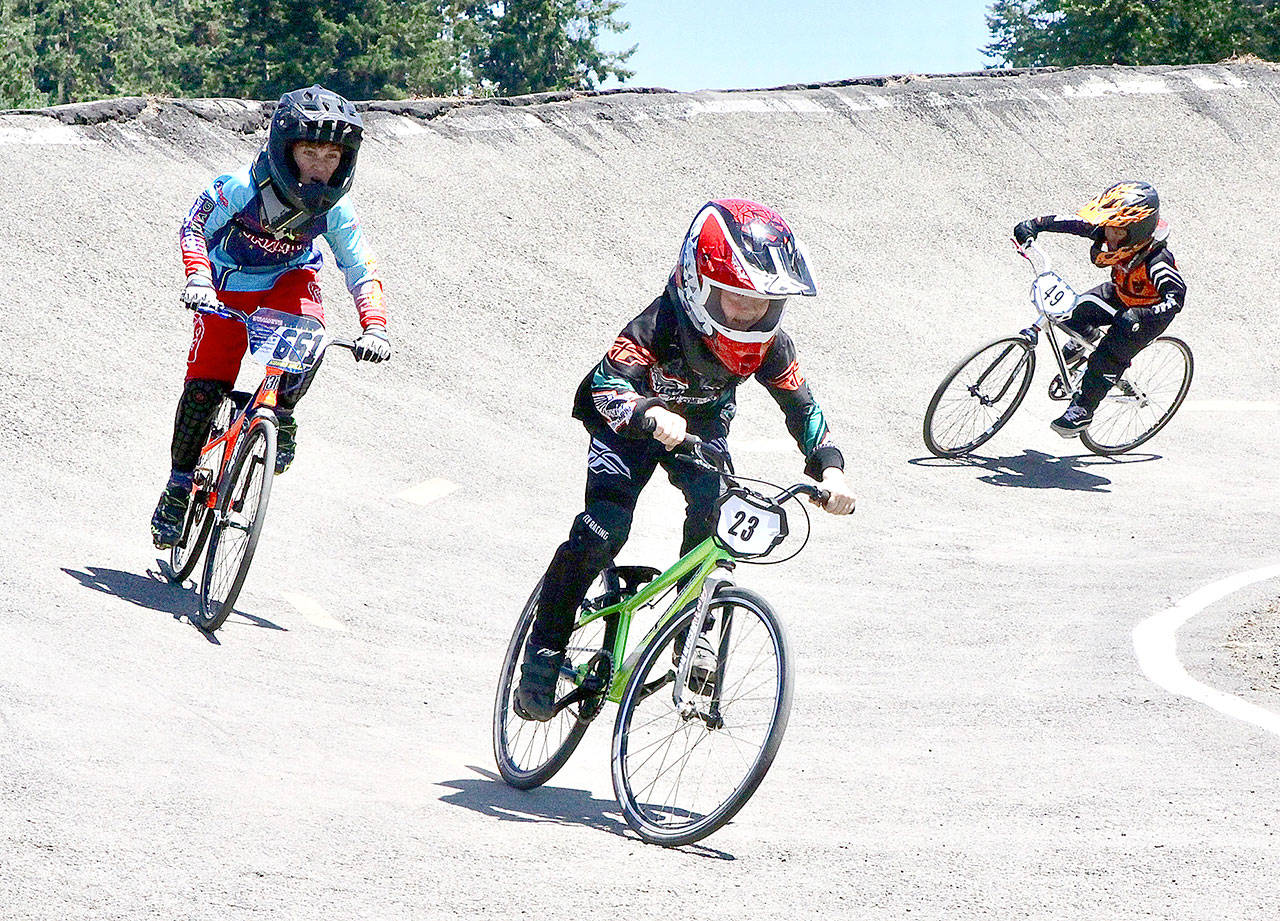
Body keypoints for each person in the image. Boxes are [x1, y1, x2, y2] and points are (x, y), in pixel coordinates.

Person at [513, 199, 856, 721]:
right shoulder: (661, 323)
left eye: (762, 305)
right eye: (735, 300)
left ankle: (694, 631)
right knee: (603, 529)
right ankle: (545, 646)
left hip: (701, 432)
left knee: (719, 517)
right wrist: (647, 411)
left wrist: (829, 467)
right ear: (698, 286)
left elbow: (801, 404)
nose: (749, 316)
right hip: (630, 426)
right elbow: (607, 381)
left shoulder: (770, 345)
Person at [151, 84, 392, 550]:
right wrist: (198, 278)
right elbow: (194, 225)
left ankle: (281, 411)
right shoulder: (240, 187)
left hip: (288, 281)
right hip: (224, 287)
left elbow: (360, 264)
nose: (322, 167)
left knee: (313, 335)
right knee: (204, 388)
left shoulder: (336, 210)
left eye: (333, 156)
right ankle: (179, 486)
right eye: (310, 152)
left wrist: (375, 325)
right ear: (285, 148)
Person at [1013, 180, 1186, 437]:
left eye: (1118, 231)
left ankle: (1082, 410)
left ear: (1138, 230)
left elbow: (1175, 299)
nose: (1109, 236)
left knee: (1105, 359)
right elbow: (1077, 224)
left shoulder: (1156, 261)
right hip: (1119, 294)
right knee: (1069, 312)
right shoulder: (1116, 232)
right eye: (1110, 229)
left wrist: (1141, 315)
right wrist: (1037, 225)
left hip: (1147, 316)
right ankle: (1089, 338)